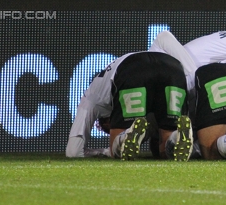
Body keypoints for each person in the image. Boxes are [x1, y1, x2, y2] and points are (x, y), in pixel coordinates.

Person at [65, 51, 193, 161]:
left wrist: (105, 152)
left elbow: (73, 152)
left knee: (116, 149)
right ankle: (177, 136)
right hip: (173, 67)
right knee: (166, 146)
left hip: (134, 69)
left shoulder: (91, 98)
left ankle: (123, 137)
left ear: (106, 122)